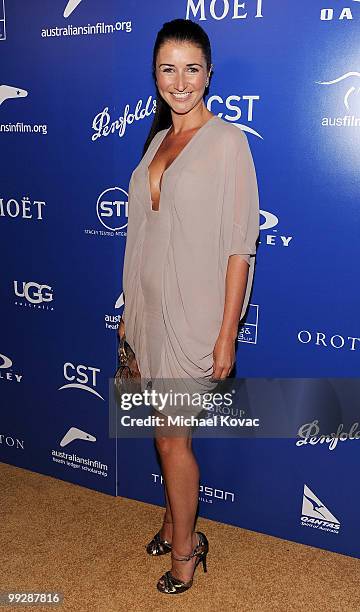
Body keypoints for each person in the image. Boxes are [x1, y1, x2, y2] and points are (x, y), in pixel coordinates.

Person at [118, 18, 260, 594]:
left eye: (192, 69)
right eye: (168, 69)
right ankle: (174, 519)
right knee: (161, 434)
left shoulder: (229, 143)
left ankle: (187, 549)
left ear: (209, 74)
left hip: (193, 317)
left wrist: (227, 333)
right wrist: (129, 313)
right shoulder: (157, 140)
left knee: (172, 439)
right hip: (147, 314)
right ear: (154, 75)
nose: (181, 81)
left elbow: (239, 245)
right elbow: (141, 235)